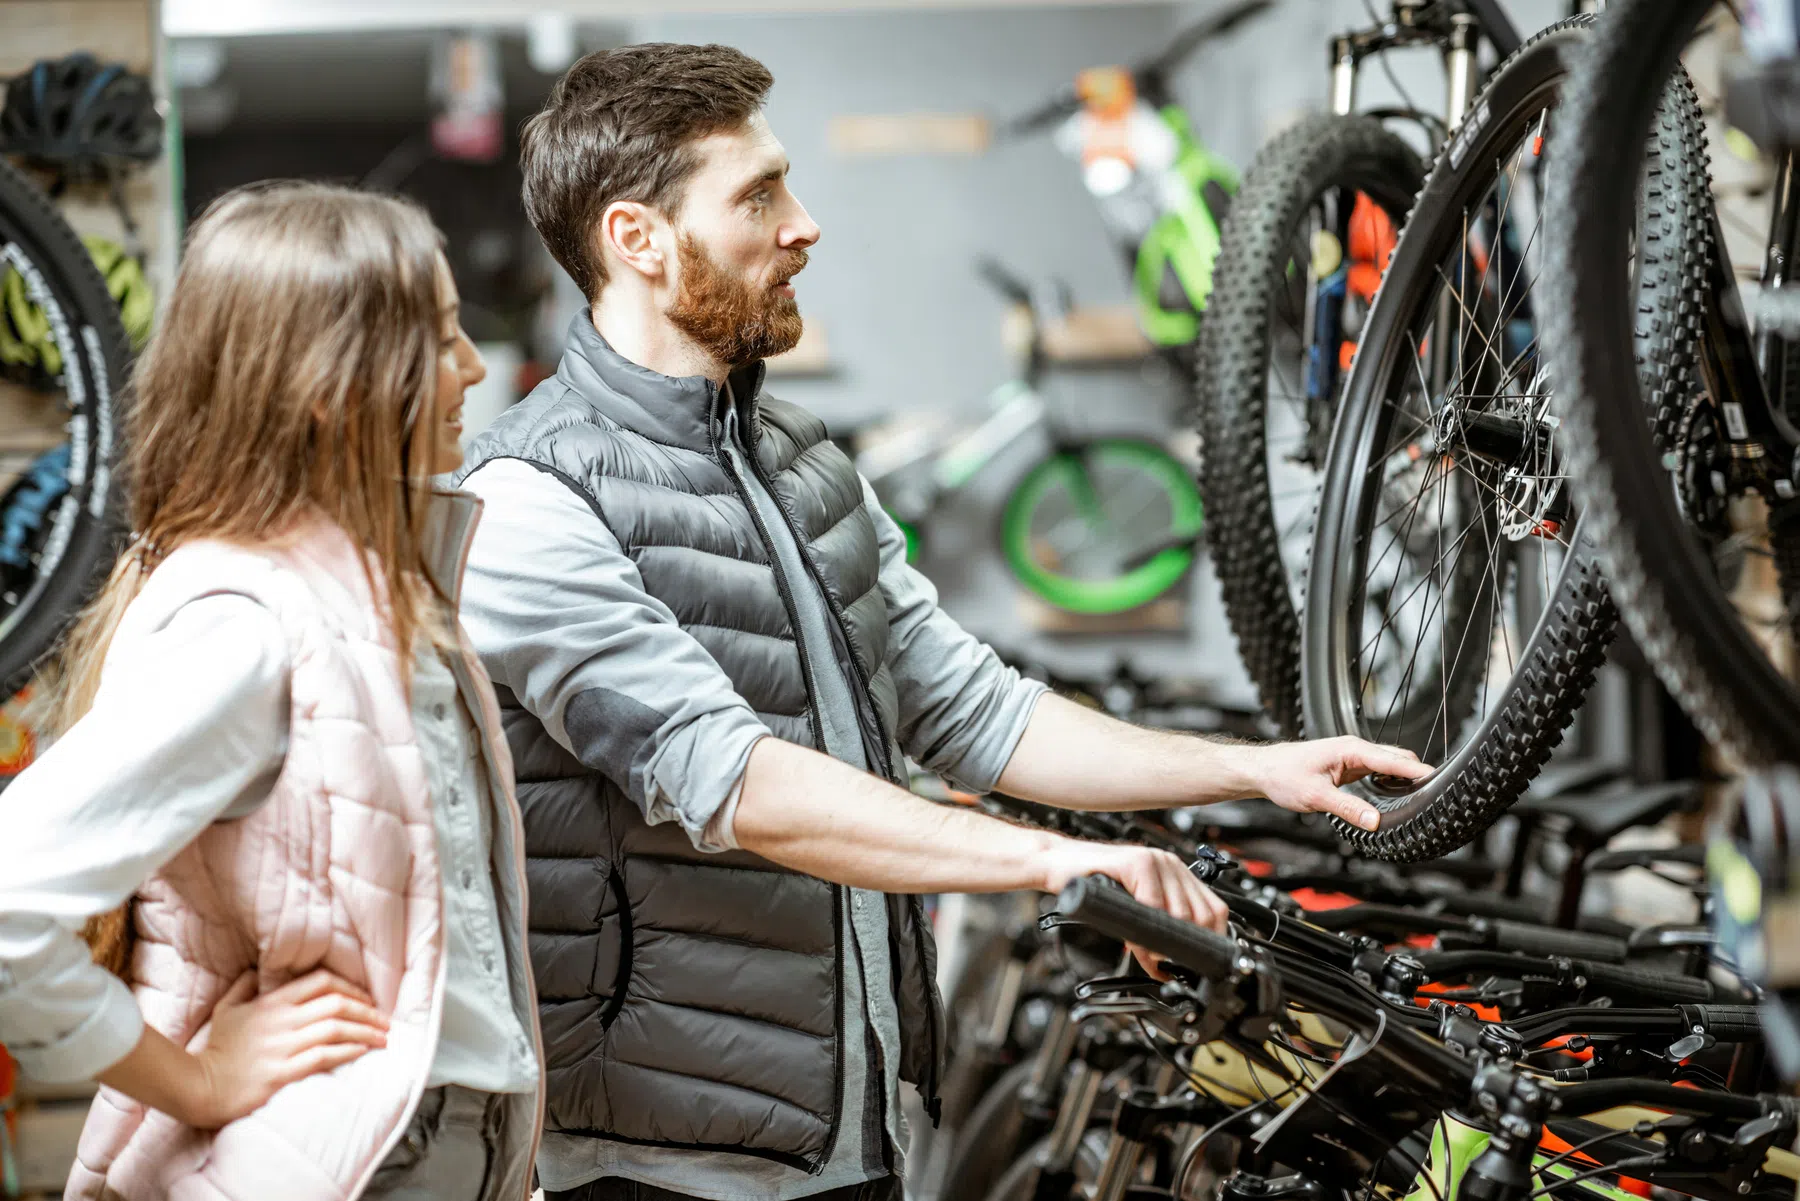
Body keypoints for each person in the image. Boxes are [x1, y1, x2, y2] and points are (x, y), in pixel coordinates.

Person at [457, 43, 1431, 1201]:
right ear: (639, 239)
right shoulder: (525, 496)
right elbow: (732, 779)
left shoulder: (801, 464)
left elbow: (974, 709)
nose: (804, 223)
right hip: (655, 1161)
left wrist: (1251, 770)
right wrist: (1050, 858)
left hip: (855, 1132)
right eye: (759, 194)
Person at [0, 182, 544, 1201]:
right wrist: (199, 1078)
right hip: (362, 1163)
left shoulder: (378, 597)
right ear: (330, 386)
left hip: (433, 1150)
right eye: (438, 336)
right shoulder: (249, 621)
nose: (473, 367)